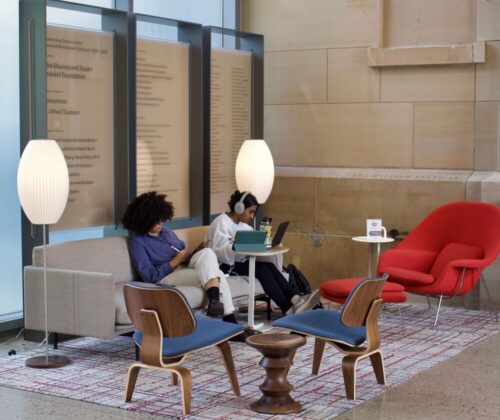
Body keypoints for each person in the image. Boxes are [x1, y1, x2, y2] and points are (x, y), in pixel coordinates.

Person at [122, 191, 258, 341]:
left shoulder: (165, 232)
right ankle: (230, 321)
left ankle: (215, 303)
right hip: (167, 276)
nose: (160, 225)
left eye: (161, 221)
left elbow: (183, 252)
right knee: (217, 274)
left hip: (184, 265)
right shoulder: (138, 242)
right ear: (144, 221)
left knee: (207, 252)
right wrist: (176, 261)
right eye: (156, 222)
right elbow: (149, 275)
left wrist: (196, 250)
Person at [206, 190, 320, 316]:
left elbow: (253, 239)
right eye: (250, 212)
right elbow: (218, 252)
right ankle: (287, 308)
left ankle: (296, 300)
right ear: (239, 208)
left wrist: (266, 243)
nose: (252, 217)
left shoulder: (243, 225)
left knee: (269, 266)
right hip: (223, 266)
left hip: (238, 262)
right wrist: (236, 246)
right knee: (262, 270)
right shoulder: (221, 222)